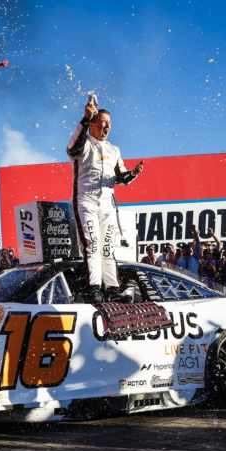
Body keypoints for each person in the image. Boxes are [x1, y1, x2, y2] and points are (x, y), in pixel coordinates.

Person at [67, 100, 144, 303]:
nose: (107, 126)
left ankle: (112, 289)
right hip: (86, 201)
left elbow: (121, 178)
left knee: (108, 248)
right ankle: (94, 288)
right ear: (92, 124)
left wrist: (133, 173)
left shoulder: (114, 149)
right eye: (102, 122)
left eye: (109, 122)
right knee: (92, 246)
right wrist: (84, 119)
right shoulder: (83, 143)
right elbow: (72, 150)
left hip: (107, 203)